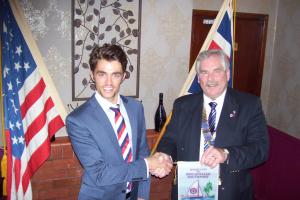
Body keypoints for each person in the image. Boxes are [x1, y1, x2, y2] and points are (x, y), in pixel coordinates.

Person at [157, 49, 269, 200]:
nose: (210, 79)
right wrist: (164, 155)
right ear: (198, 78)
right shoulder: (182, 105)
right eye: (204, 72)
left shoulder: (249, 105)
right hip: (188, 190)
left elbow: (260, 150)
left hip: (231, 193)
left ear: (227, 74)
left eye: (217, 71)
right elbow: (169, 140)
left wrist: (226, 154)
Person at [66, 44, 172, 200]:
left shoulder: (136, 108)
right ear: (92, 75)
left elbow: (142, 153)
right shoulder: (78, 120)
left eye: (115, 75)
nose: (108, 82)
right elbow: (100, 174)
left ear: (123, 76)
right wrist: (149, 165)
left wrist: (142, 195)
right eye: (102, 74)